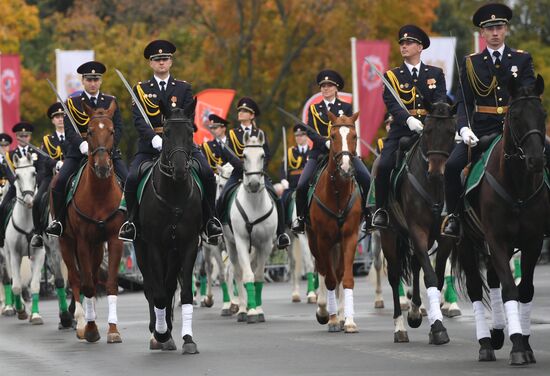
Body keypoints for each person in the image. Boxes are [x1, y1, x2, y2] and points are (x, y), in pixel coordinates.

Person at [442, 3, 544, 237]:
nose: (495, 32)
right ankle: (455, 218)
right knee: (452, 167)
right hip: (482, 129)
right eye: (490, 29)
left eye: (499, 27)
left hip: (518, 129)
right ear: (483, 33)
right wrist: (464, 128)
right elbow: (464, 102)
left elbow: (529, 97)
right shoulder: (471, 63)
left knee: (546, 153)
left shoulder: (522, 59)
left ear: (506, 29)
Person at [118, 40, 222, 243]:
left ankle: (210, 220)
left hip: (181, 145)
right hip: (150, 145)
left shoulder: (183, 88)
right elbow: (139, 121)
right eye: (157, 60)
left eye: (165, 59)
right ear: (151, 63)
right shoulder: (141, 89)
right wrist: (155, 139)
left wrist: (175, 140)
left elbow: (189, 118)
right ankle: (131, 222)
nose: (161, 62)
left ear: (171, 62)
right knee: (131, 178)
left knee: (208, 174)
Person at [371, 25, 447, 228]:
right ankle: (381, 210)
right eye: (402, 43)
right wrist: (409, 120)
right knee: (384, 164)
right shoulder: (392, 76)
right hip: (401, 130)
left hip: (430, 131)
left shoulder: (436, 74)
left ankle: (451, 209)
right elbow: (393, 104)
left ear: (420, 47)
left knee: (452, 162)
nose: (404, 46)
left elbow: (441, 102)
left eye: (409, 43)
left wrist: (430, 122)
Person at [45, 61, 128, 237]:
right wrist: (82, 144)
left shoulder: (110, 101)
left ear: (101, 81)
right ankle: (59, 221)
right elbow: (68, 129)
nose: (93, 83)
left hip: (106, 153)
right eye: (89, 79)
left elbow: (119, 128)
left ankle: (130, 222)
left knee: (129, 179)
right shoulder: (72, 102)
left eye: (96, 79)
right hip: (78, 152)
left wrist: (107, 146)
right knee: (59, 182)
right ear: (83, 81)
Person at [292, 69, 372, 234]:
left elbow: (350, 132)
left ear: (336, 89)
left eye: (329, 86)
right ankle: (300, 218)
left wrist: (342, 147)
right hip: (320, 153)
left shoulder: (346, 107)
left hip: (344, 152)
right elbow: (311, 132)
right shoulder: (314, 109)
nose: (325, 89)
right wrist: (326, 143)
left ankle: (369, 215)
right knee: (301, 184)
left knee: (366, 177)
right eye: (323, 86)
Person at [216, 97, 291, 249]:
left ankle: (281, 233)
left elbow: (267, 154)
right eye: (240, 111)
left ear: (251, 116)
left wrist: (259, 168)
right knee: (222, 198)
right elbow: (227, 155)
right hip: (238, 174)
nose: (241, 113)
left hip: (257, 174)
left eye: (244, 111)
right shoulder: (232, 133)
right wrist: (243, 167)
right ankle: (218, 230)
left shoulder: (260, 133)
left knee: (276, 197)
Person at [30, 103, 67, 247]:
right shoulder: (47, 140)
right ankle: (38, 233)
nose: (60, 119)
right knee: (37, 200)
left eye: (62, 116)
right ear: (52, 120)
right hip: (51, 176)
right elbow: (44, 159)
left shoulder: (73, 136)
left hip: (70, 174)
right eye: (57, 117)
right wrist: (56, 164)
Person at [0, 123, 41, 246]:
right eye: (21, 136)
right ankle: (2, 236)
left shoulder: (36, 153)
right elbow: (9, 173)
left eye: (26, 136)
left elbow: (41, 170)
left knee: (43, 205)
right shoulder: (10, 155)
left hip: (34, 188)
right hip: (15, 189)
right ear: (17, 137)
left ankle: (42, 233)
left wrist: (33, 184)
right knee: (2, 207)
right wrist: (18, 185)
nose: (24, 139)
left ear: (30, 137)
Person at [280, 123, 309, 221]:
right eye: (297, 135)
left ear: (306, 136)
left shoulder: (312, 152)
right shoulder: (290, 152)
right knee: (283, 200)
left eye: (301, 135)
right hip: (292, 186)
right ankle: (282, 229)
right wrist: (283, 179)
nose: (299, 137)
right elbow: (282, 168)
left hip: (309, 186)